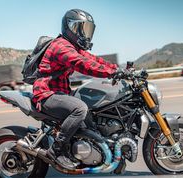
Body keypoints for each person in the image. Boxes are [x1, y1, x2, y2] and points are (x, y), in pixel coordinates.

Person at [32, 9, 119, 169]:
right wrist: (112, 73)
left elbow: (92, 59)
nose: (84, 34)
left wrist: (117, 68)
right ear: (70, 28)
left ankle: (93, 149)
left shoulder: (72, 46)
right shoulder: (61, 46)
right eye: (80, 29)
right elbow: (82, 64)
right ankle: (55, 151)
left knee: (93, 107)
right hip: (46, 94)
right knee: (80, 109)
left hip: (61, 93)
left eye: (86, 29)